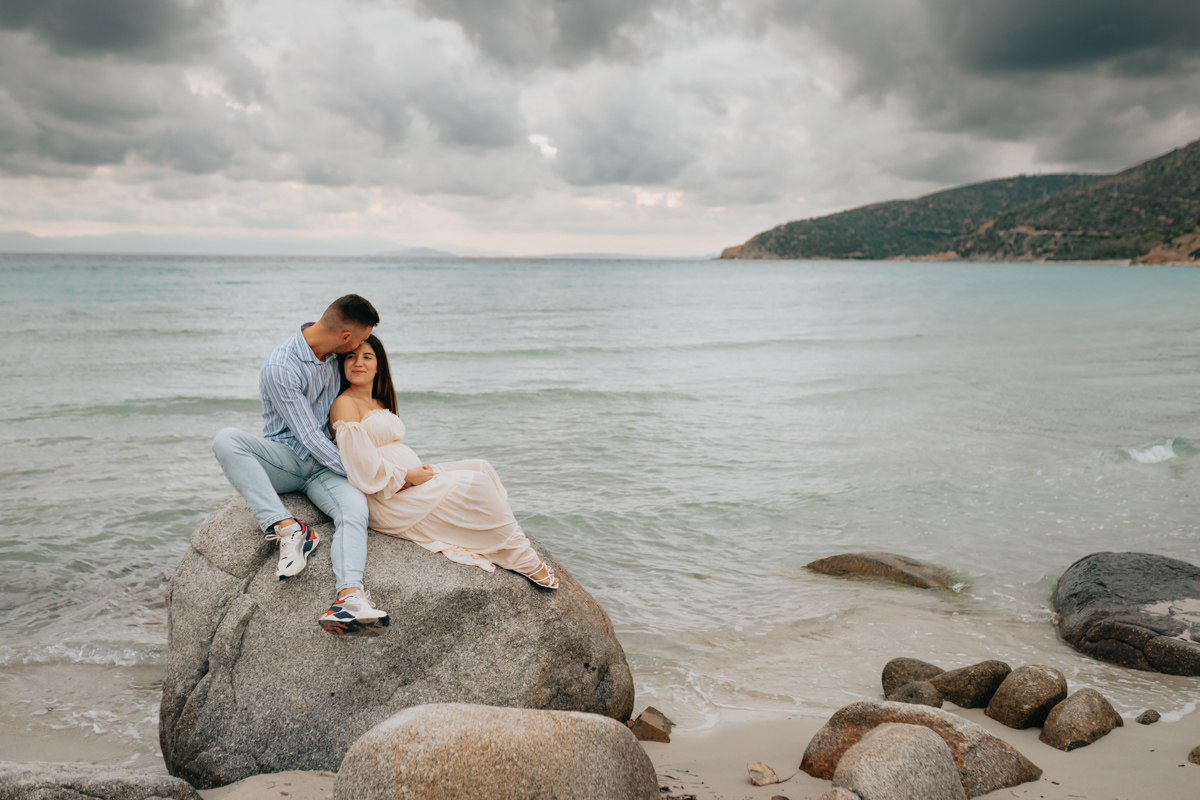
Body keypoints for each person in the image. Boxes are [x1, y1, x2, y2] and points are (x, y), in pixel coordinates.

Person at [212, 294, 390, 636]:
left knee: (354, 511)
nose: (361, 349)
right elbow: (308, 437)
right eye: (361, 340)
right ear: (345, 337)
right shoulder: (282, 366)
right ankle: (287, 527)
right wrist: (363, 474)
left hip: (324, 470)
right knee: (226, 439)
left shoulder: (334, 356)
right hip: (287, 459)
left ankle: (349, 598)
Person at [328, 334, 559, 591]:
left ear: (378, 364)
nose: (358, 362)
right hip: (386, 494)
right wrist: (407, 475)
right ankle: (524, 558)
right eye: (351, 356)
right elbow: (360, 466)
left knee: (481, 467)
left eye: (367, 357)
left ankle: (499, 538)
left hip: (405, 479)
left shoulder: (378, 400)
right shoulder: (344, 403)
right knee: (476, 483)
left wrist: (414, 471)